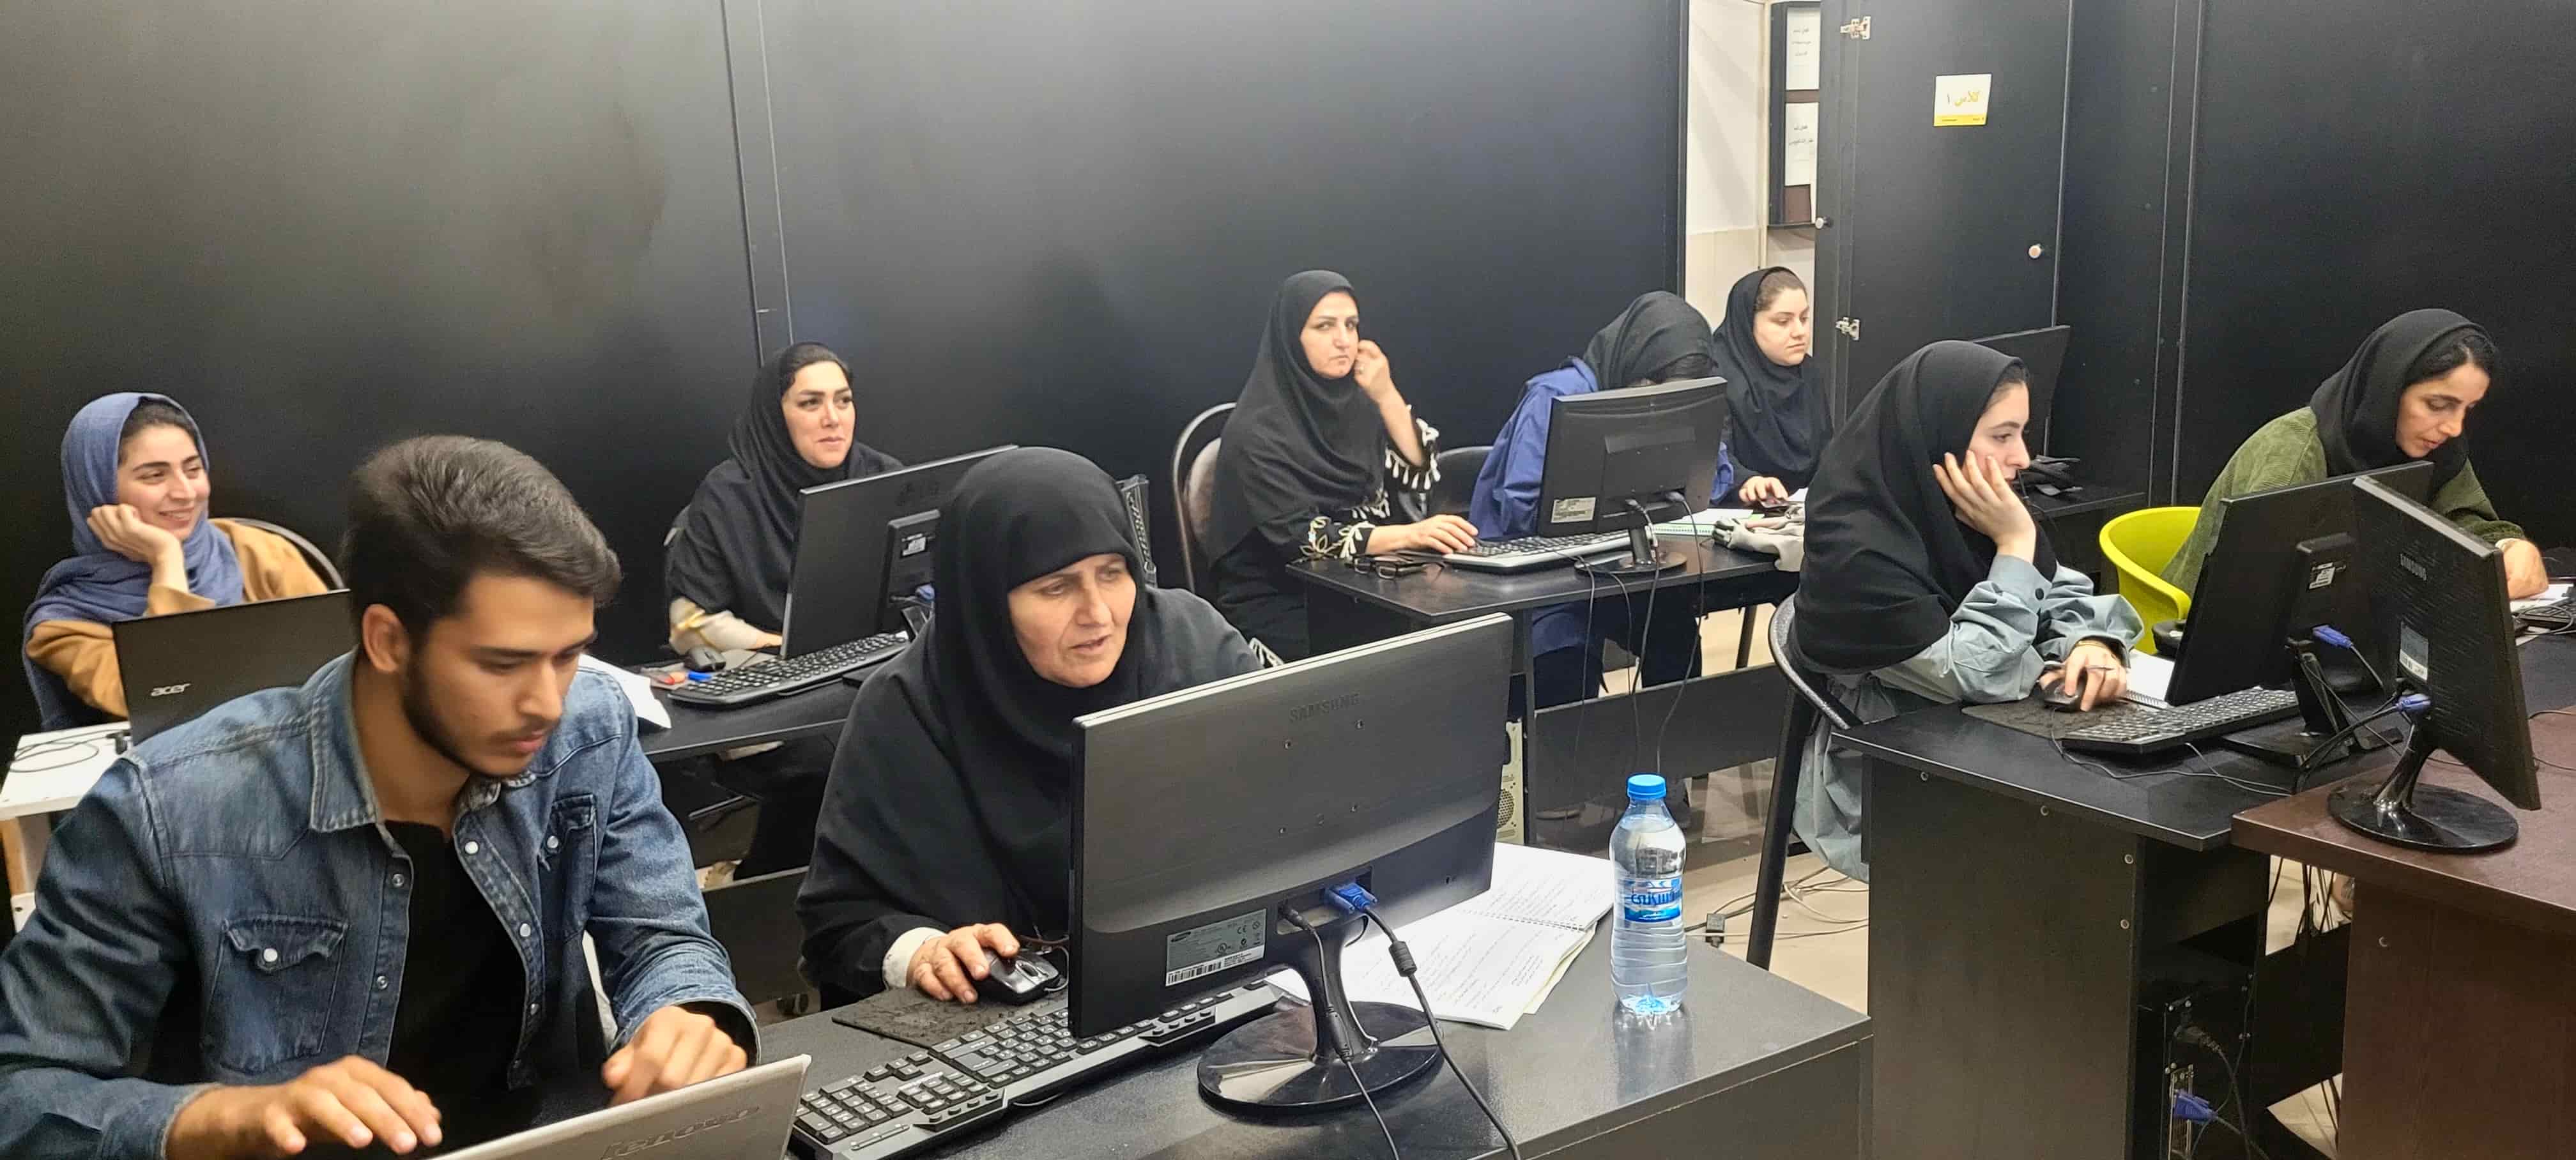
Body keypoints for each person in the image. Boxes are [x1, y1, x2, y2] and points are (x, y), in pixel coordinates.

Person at [0, 436, 755, 1157]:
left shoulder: (590, 730)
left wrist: (685, 1011)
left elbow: (661, 935)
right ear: (388, 640)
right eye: (502, 665)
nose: (548, 703)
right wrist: (228, 1118)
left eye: (568, 656)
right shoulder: (169, 808)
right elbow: (24, 1096)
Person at [800, 448, 1261, 1003]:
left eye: (1112, 574)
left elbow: (1289, 804)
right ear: (988, 601)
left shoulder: (1193, 646)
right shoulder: (907, 709)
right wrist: (921, 951)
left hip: (1208, 984)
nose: (1098, 614)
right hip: (995, 1025)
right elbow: (841, 921)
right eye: (1057, 588)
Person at [1792, 342, 2142, 881]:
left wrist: (2092, 644)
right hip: (1898, 774)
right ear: (1940, 435)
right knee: (2107, 835)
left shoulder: (1967, 513)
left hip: (2000, 744)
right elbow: (1977, 673)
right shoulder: (1855, 546)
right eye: (2002, 436)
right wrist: (2016, 544)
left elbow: (2063, 593)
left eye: (2022, 434)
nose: (2022, 458)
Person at [2163, 309, 2543, 598]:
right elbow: (2250, 587)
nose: (2454, 428)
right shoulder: (2293, 452)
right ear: (2388, 389)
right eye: (2437, 405)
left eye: (2467, 409)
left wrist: (2509, 548)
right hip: (2193, 642)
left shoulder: (2433, 445)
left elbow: (2465, 520)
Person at [1204, 270, 1473, 659]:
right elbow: (1306, 539)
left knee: (1456, 636)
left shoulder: (1358, 404)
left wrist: (1386, 395)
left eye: (1351, 325)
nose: (1344, 340)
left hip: (1361, 585)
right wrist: (1409, 535)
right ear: (1292, 337)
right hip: (1284, 599)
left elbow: (1420, 474)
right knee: (1390, 661)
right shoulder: (1257, 433)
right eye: (1324, 326)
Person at [1468, 291, 1719, 706]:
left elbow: (1711, 474)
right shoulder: (1555, 395)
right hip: (1537, 577)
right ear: (1639, 368)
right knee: (1566, 655)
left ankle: (1669, 749)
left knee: (1675, 632)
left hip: (1613, 563)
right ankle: (1558, 750)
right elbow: (1520, 508)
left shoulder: (1658, 398)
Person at [21, 393, 332, 729]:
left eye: (193, 469)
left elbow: (337, 666)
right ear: (99, 488)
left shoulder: (259, 552)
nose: (185, 492)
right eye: (155, 476)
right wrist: (167, 560)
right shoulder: (64, 625)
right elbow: (166, 696)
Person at [665, 341, 902, 653]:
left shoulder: (884, 477)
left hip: (880, 656)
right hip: (772, 664)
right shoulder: (729, 494)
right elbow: (689, 625)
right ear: (775, 415)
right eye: (811, 403)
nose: (833, 418)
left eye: (843, 400)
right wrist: (792, 650)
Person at [1709, 268, 1828, 506]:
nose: (1800, 332)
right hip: (1738, 511)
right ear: (1748, 322)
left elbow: (1825, 449)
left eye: (1804, 318)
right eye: (1783, 322)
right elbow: (1712, 455)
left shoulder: (1808, 371)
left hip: (1802, 510)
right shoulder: (1717, 377)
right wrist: (1746, 481)